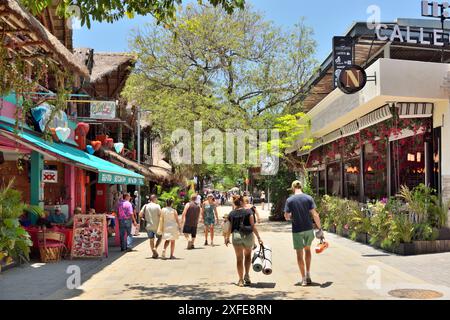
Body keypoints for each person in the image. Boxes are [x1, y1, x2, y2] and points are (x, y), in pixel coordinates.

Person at [284, 180, 323, 287]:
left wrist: (292, 215)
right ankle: (308, 274)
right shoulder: (308, 198)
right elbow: (315, 214)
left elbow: (286, 216)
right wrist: (319, 229)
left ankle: (303, 279)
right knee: (308, 250)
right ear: (301, 187)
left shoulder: (289, 200)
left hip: (297, 230)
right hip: (308, 229)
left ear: (293, 188)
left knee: (299, 254)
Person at [225, 195, 263, 287]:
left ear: (235, 203)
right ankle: (247, 275)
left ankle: (241, 280)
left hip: (236, 236)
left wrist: (227, 238)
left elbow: (229, 227)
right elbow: (253, 226)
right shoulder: (248, 211)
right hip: (248, 236)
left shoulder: (231, 213)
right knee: (247, 256)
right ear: (242, 202)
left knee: (239, 259)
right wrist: (258, 238)